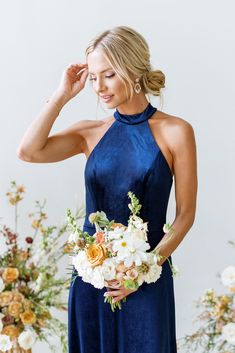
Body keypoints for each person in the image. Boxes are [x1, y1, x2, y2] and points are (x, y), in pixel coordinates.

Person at [17, 25, 198, 353]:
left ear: (133, 69)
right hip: (91, 280)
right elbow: (28, 151)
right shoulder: (91, 132)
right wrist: (61, 96)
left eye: (109, 75)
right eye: (93, 77)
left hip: (146, 279)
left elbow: (185, 215)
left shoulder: (176, 131)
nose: (99, 87)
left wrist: (142, 270)